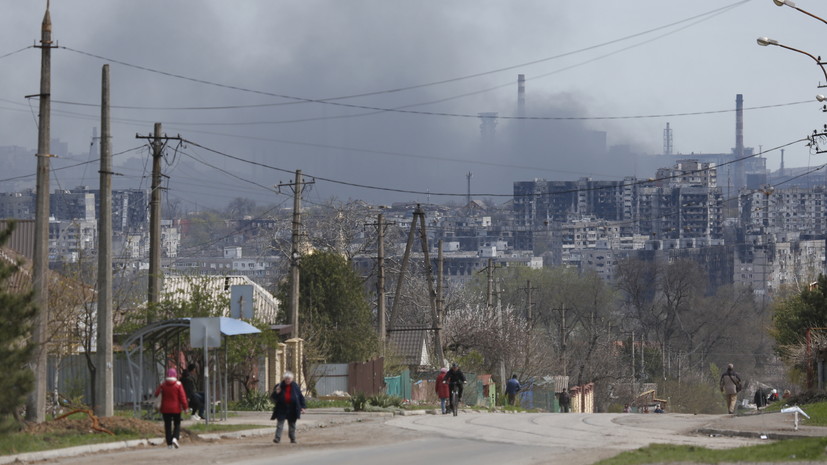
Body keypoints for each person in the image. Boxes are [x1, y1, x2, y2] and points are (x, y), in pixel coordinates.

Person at [155, 368, 188, 449]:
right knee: (177, 424)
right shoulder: (178, 384)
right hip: (176, 409)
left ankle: (169, 443)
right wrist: (185, 407)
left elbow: (156, 393)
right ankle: (175, 438)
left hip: (165, 409)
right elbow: (183, 397)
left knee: (167, 425)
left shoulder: (163, 384)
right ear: (175, 375)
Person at [270, 372, 306, 444]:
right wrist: (277, 392)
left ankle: (292, 438)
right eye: (286, 379)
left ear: (292, 379)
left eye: (289, 379)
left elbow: (300, 397)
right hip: (281, 408)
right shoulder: (279, 386)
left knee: (292, 425)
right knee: (280, 424)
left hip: (293, 408)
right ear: (284, 379)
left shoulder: (295, 386)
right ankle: (277, 438)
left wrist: (302, 407)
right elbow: (273, 398)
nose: (287, 380)